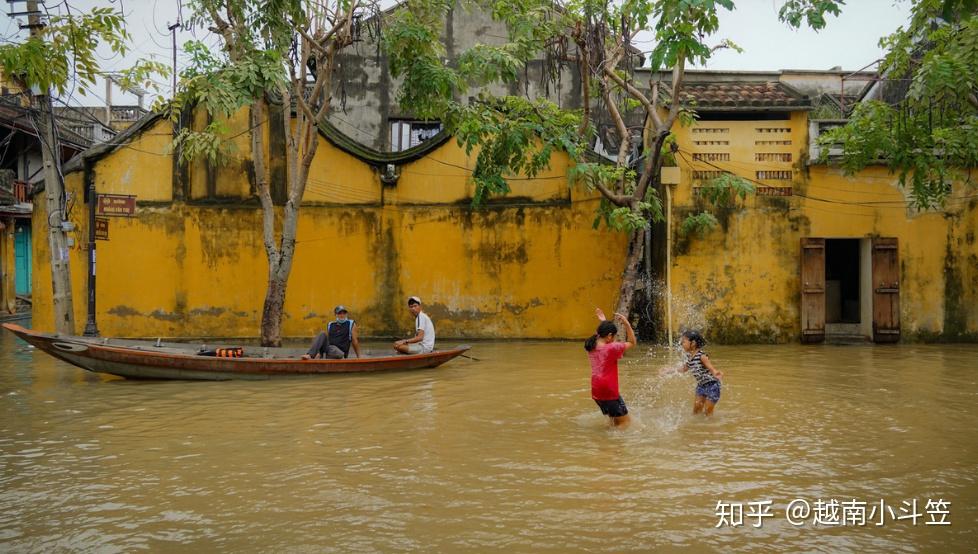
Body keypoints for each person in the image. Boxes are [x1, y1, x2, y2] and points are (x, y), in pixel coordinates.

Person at [585, 308, 636, 427]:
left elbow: (600, 334)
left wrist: (603, 321)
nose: (614, 339)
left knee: (613, 421)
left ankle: (605, 442)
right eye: (613, 336)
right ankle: (614, 444)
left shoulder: (591, 344)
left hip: (596, 390)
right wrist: (627, 324)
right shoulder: (611, 348)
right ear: (609, 336)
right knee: (625, 423)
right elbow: (632, 342)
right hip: (609, 390)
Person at [678, 329, 723, 416]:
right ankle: (698, 428)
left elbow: (710, 368)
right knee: (696, 411)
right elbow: (684, 369)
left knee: (708, 412)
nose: (681, 344)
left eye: (683, 342)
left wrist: (716, 373)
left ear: (693, 343)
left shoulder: (702, 356)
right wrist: (669, 371)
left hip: (712, 386)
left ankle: (710, 427)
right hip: (701, 386)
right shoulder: (689, 357)